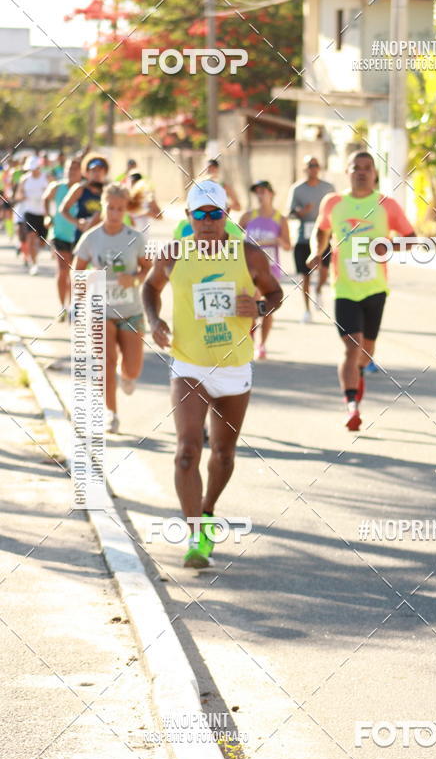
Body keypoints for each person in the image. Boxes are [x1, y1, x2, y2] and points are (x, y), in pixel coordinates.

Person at [142, 179, 282, 568]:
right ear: (188, 217)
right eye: (199, 214)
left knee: (223, 454)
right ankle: (195, 537)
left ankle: (206, 509)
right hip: (188, 364)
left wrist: (258, 310)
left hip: (234, 367)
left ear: (226, 217)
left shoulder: (249, 255)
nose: (206, 221)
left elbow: (275, 294)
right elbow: (149, 289)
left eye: (214, 214)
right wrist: (154, 320)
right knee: (187, 451)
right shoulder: (173, 254)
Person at [308, 150, 415, 431]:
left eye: (367, 168)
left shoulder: (386, 205)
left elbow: (412, 239)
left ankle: (358, 376)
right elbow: (321, 230)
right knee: (352, 349)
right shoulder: (333, 202)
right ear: (347, 171)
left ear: (374, 173)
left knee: (365, 354)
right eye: (356, 167)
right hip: (343, 287)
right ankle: (351, 406)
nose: (362, 172)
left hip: (375, 289)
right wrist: (315, 252)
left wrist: (388, 247)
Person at [74, 183, 151, 434]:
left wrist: (135, 278)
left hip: (131, 311)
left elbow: (148, 269)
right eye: (110, 208)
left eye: (120, 209)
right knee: (105, 362)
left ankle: (127, 377)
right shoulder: (91, 238)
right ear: (103, 206)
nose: (115, 213)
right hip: (101, 311)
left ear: (126, 209)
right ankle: (111, 413)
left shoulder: (136, 238)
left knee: (132, 368)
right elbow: (76, 273)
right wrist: (87, 281)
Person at [240, 180, 290, 359]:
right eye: (257, 192)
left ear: (271, 194)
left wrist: (275, 240)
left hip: (271, 269)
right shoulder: (248, 217)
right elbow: (236, 238)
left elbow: (287, 245)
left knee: (268, 308)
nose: (260, 196)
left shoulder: (279, 219)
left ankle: (262, 344)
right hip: (250, 269)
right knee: (252, 304)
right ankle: (250, 340)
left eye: (264, 192)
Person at [286, 156, 334, 322]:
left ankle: (319, 289)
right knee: (304, 276)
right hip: (303, 238)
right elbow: (290, 213)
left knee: (324, 273)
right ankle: (307, 310)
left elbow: (336, 210)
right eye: (310, 166)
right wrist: (301, 212)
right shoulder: (297, 189)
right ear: (305, 169)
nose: (313, 168)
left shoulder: (328, 188)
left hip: (324, 237)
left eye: (316, 165)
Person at [43, 158, 82, 320]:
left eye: (75, 169)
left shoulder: (84, 189)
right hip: (59, 234)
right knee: (63, 270)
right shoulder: (57, 187)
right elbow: (45, 198)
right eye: (69, 168)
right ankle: (62, 307)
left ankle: (73, 306)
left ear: (81, 172)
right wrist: (47, 216)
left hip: (80, 236)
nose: (71, 172)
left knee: (77, 273)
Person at [59, 153, 109, 244]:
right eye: (93, 170)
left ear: (105, 172)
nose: (97, 173)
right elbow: (63, 209)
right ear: (87, 172)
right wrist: (77, 222)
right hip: (82, 238)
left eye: (100, 170)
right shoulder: (80, 189)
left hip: (103, 238)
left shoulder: (109, 191)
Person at [15, 155, 49, 275]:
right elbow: (17, 196)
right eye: (31, 168)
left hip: (44, 213)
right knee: (30, 237)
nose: (33, 170)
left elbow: (51, 194)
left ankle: (36, 252)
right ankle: (34, 264)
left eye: (35, 168)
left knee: (42, 242)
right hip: (30, 213)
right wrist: (23, 196)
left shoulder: (46, 178)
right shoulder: (24, 179)